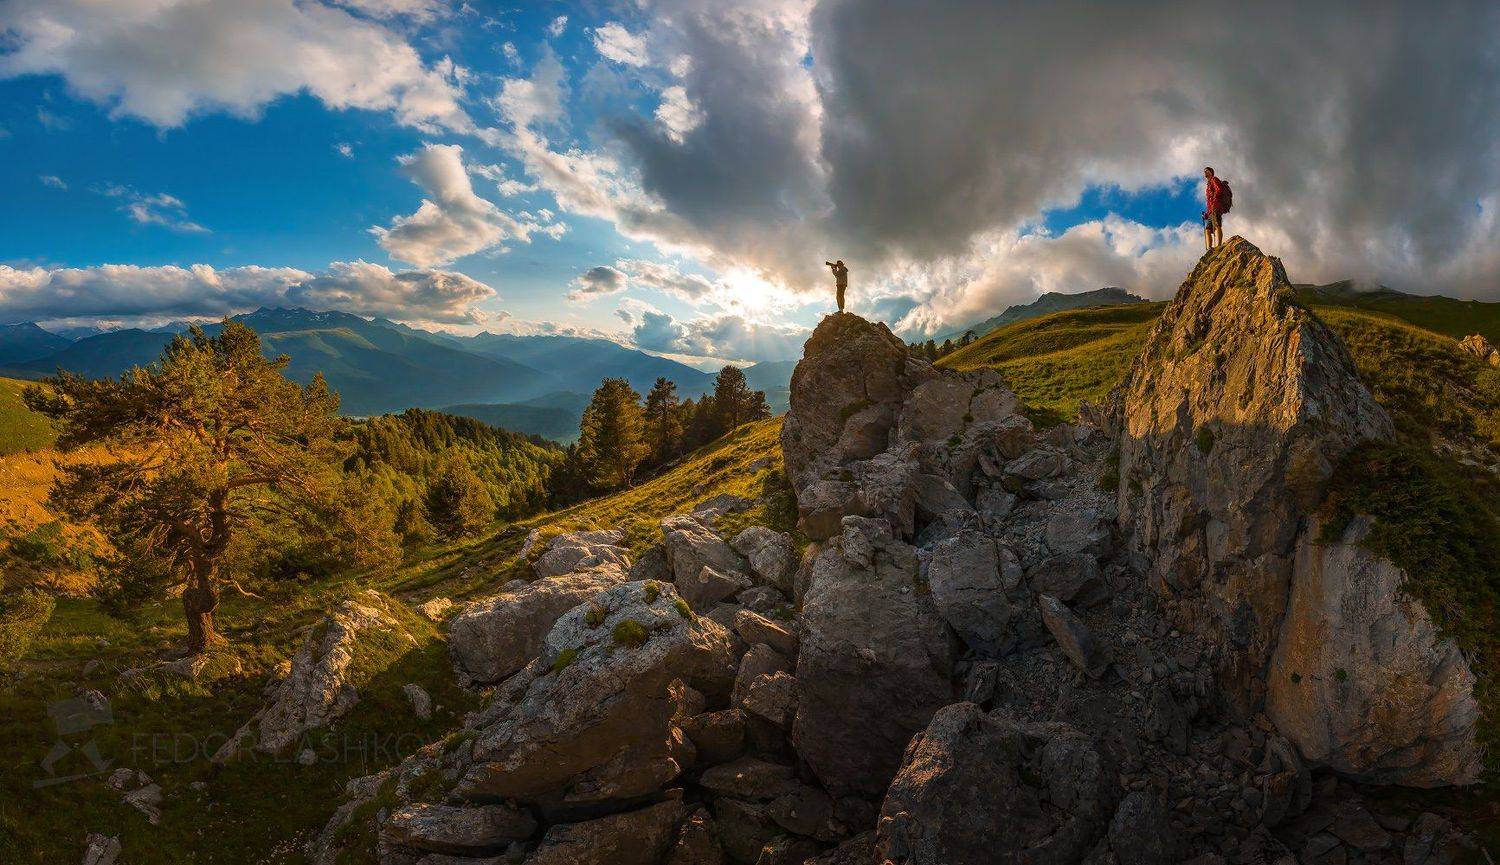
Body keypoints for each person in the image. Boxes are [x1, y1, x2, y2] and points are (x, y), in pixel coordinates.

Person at [1202, 167, 1231, 249]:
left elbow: (1219, 190)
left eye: (1206, 170)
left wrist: (1214, 200)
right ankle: (1210, 248)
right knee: (1207, 229)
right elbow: (1209, 202)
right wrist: (1207, 214)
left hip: (1216, 207)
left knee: (1217, 225)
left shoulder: (1214, 179)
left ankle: (1219, 245)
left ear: (1211, 172)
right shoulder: (1208, 185)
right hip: (1211, 209)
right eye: (1204, 171)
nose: (1205, 172)